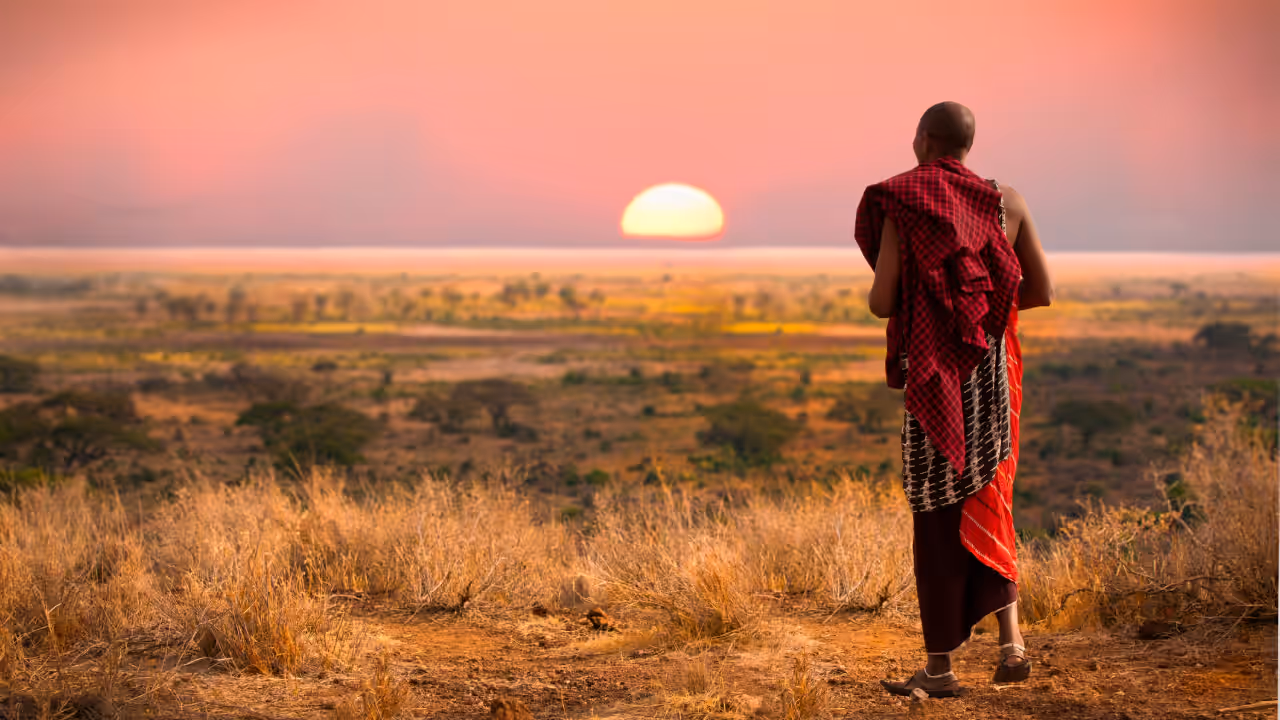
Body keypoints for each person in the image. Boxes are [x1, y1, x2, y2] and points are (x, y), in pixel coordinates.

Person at [854, 101, 1054, 698]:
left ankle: (939, 670)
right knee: (989, 497)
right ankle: (1011, 644)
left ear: (922, 140)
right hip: (988, 374)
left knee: (937, 515)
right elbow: (1040, 290)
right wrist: (978, 310)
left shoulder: (901, 202)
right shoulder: (1007, 201)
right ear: (968, 145)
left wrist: (933, 308)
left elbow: (881, 302)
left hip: (933, 379)